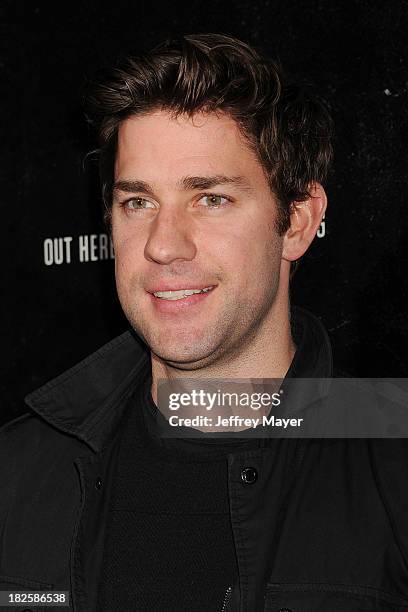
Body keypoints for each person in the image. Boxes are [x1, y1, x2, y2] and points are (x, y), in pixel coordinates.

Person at [1, 33, 408, 612]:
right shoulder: (17, 474)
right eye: (137, 203)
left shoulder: (391, 464)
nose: (163, 246)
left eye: (210, 198)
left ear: (296, 222)